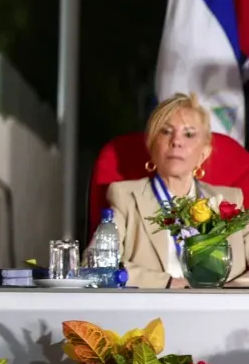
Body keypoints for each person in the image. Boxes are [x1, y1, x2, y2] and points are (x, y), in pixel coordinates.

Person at [106, 93, 249, 289]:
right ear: (151, 146)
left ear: (204, 153)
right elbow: (97, 265)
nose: (176, 141)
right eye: (165, 132)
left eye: (189, 134)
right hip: (151, 313)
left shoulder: (230, 200)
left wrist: (225, 291)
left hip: (222, 313)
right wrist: (168, 283)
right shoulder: (125, 197)